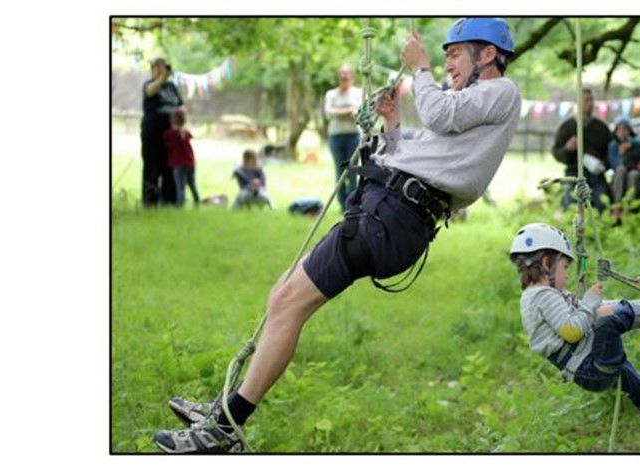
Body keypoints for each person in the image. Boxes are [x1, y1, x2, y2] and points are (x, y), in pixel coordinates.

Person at [153, 17, 521, 453]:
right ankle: (225, 412)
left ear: (488, 54)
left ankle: (224, 431)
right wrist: (393, 125)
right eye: (441, 58)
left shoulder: (499, 92)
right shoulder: (469, 106)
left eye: (454, 54)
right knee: (282, 296)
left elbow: (439, 115)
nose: (446, 65)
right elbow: (413, 154)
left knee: (289, 303)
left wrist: (419, 68)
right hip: (384, 212)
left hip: (393, 218)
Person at [509, 223, 640, 450]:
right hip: (590, 367)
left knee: (637, 383)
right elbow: (572, 332)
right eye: (565, 266)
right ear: (546, 263)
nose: (566, 274)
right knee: (607, 319)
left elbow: (586, 315)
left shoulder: (542, 295)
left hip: (590, 363)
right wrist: (591, 302)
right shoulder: (543, 296)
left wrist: (598, 306)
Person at [551, 87, 613, 213]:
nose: (589, 104)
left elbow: (610, 153)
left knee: (603, 204)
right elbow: (556, 153)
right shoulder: (566, 128)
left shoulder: (602, 129)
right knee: (571, 206)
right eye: (585, 100)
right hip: (574, 174)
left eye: (591, 100)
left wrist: (603, 165)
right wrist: (567, 149)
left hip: (596, 176)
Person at [141, 57, 183, 207]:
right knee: (152, 166)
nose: (162, 69)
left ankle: (169, 201)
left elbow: (180, 105)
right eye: (158, 67)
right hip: (153, 132)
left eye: (164, 67)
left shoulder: (172, 87)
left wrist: (182, 124)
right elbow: (150, 92)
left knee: (170, 166)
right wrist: (161, 79)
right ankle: (150, 201)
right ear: (153, 69)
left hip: (171, 133)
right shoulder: (149, 84)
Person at [324, 64, 363, 211]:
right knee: (339, 172)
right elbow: (328, 113)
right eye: (341, 73)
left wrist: (339, 111)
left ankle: (351, 204)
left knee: (353, 171)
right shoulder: (331, 94)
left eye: (346, 73)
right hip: (335, 137)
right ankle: (342, 204)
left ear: (352, 76)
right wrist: (348, 110)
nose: (344, 76)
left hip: (353, 136)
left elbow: (358, 111)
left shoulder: (358, 93)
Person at [608, 118, 640, 223]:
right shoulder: (613, 145)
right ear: (616, 131)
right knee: (621, 169)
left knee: (633, 174)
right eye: (620, 130)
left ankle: (628, 209)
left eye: (625, 129)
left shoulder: (637, 144)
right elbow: (613, 165)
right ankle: (617, 207)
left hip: (634, 176)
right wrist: (621, 154)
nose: (622, 133)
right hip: (619, 178)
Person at [163, 108, 200, 207]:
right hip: (190, 163)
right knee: (192, 184)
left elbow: (165, 139)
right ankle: (197, 202)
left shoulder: (170, 134)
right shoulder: (186, 133)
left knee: (180, 187)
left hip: (179, 164)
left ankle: (180, 205)